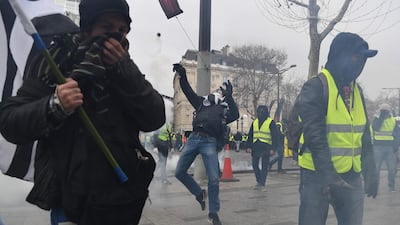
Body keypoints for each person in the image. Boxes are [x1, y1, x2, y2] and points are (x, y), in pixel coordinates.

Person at [0, 0, 166, 224]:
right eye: (107, 29)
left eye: (122, 31)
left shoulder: (126, 69)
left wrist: (124, 70)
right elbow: (11, 122)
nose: (116, 37)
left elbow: (154, 117)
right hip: (70, 203)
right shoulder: (54, 63)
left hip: (122, 201)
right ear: (87, 29)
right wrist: (54, 105)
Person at [296, 32, 378, 225]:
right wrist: (328, 174)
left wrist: (370, 171)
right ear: (340, 56)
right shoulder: (315, 87)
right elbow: (315, 135)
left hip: (350, 174)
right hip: (317, 175)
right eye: (357, 57)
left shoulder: (357, 91)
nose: (360, 64)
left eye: (364, 60)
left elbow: (364, 134)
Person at [173, 63, 239, 225]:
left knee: (214, 179)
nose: (217, 92)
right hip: (194, 138)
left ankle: (213, 213)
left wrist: (230, 97)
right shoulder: (202, 103)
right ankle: (199, 194)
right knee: (179, 171)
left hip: (209, 141)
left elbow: (236, 114)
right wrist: (182, 75)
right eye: (217, 90)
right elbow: (188, 91)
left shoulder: (224, 110)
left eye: (220, 92)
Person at [245, 105, 278, 190]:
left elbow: (275, 136)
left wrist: (273, 149)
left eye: (262, 111)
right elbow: (250, 135)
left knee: (264, 166)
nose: (260, 113)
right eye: (259, 111)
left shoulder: (271, 122)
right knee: (255, 165)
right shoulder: (255, 122)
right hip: (256, 146)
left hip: (266, 146)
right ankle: (259, 180)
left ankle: (261, 183)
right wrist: (248, 146)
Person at [372, 103, 400, 193]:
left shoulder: (393, 120)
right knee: (376, 169)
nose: (385, 113)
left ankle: (391, 187)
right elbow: (375, 128)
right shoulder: (377, 119)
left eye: (386, 111)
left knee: (392, 169)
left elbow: (397, 133)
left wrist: (395, 146)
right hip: (378, 147)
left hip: (389, 147)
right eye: (383, 111)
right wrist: (381, 117)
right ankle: (374, 187)